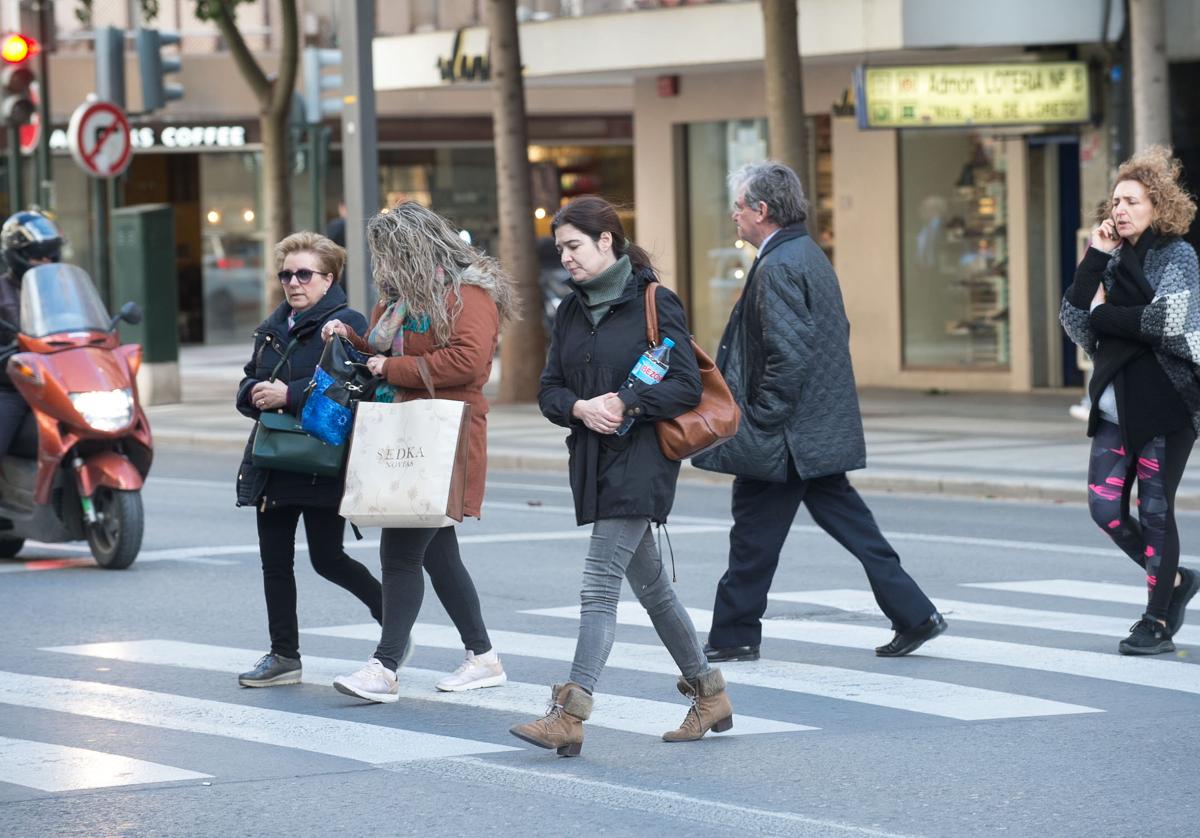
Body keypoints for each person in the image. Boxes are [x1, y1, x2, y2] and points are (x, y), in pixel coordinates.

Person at [693, 161, 947, 662]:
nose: (734, 215)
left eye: (739, 207)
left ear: (761, 211)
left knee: (753, 536)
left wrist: (764, 415)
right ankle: (916, 615)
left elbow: (790, 353)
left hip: (786, 437)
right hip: (813, 432)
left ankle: (734, 634)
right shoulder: (805, 253)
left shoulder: (780, 264)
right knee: (855, 528)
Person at [509, 196, 733, 757]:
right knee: (652, 588)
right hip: (592, 458)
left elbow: (684, 384)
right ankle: (710, 693)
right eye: (560, 249)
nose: (566, 259)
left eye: (574, 246)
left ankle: (571, 710)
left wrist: (627, 402)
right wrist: (581, 408)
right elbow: (549, 390)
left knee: (598, 585)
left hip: (643, 460)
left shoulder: (656, 303)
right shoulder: (569, 311)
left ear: (607, 240)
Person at [326, 201, 513, 702]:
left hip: (444, 435)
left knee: (401, 553)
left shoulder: (467, 294)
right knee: (440, 557)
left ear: (415, 250)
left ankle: (384, 668)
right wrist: (353, 341)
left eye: (389, 254)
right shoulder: (407, 300)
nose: (382, 265)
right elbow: (388, 355)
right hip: (414, 433)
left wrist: (390, 370)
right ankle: (483, 656)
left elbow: (468, 362)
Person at [1059, 146, 1200, 656]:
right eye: (1115, 201)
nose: (1119, 210)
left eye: (1132, 201)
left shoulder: (1178, 256)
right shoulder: (1110, 258)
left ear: (1157, 207)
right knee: (1105, 509)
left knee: (1157, 512)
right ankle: (1176, 579)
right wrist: (1094, 260)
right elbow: (1075, 322)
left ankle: (1156, 620)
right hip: (1117, 405)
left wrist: (1106, 316)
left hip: (1167, 404)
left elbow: (1167, 323)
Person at [235, 231, 386, 687]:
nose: (293, 282)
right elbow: (248, 382)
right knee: (274, 562)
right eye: (286, 274)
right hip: (274, 460)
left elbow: (356, 386)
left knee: (327, 558)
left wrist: (290, 394)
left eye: (304, 274)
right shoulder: (272, 326)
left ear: (328, 278)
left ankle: (394, 624)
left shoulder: (347, 322)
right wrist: (253, 394)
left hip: (322, 460)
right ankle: (284, 656)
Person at [0, 211, 63, 457]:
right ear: (19, 256)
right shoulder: (2, 290)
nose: (47, 261)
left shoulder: (62, 288)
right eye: (39, 256)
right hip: (12, 385)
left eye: (51, 254)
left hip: (58, 381)